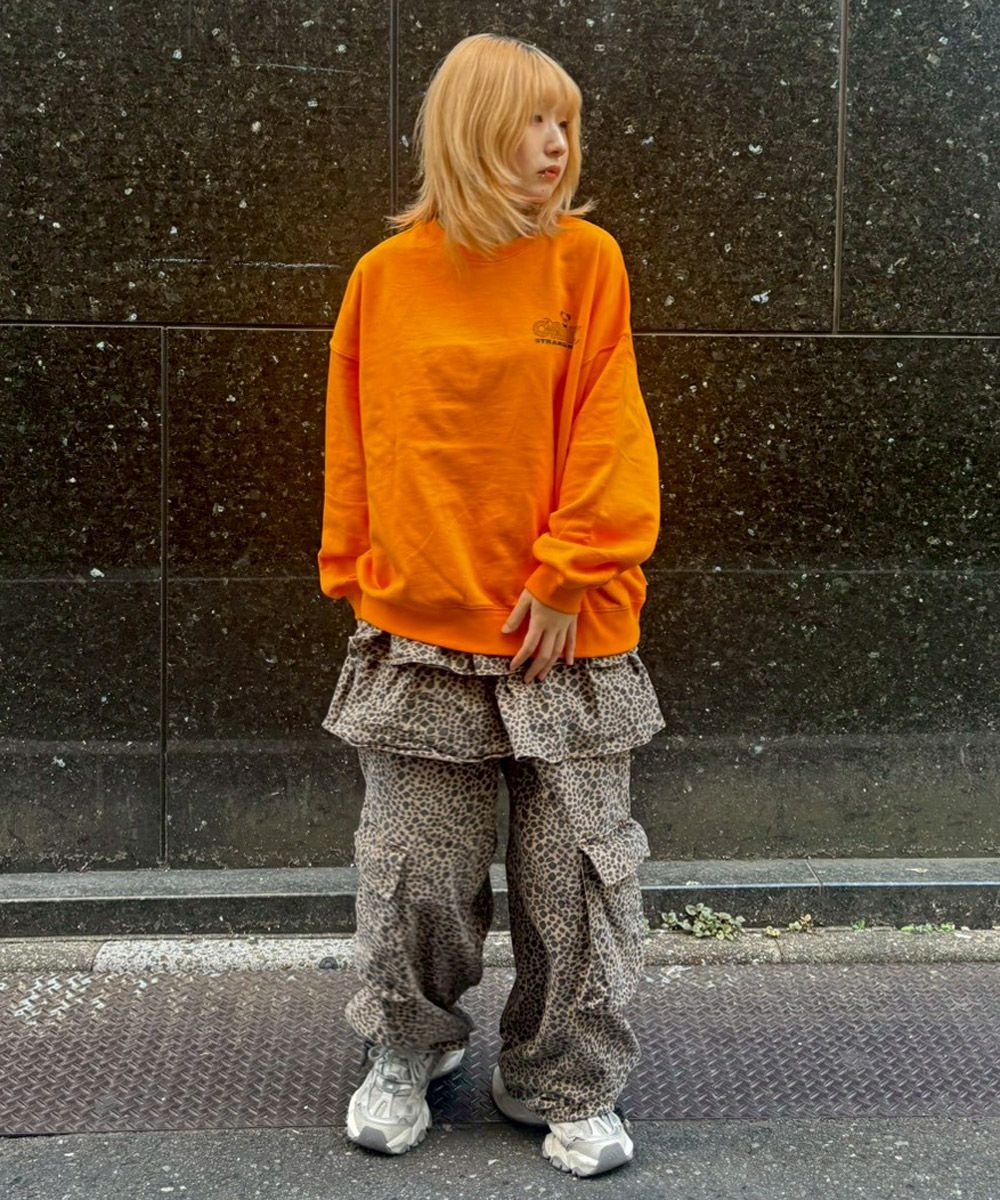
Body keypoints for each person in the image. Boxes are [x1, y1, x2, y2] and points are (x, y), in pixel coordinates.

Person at [316, 31, 665, 1179]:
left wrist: (568, 572)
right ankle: (406, 1050)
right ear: (469, 131)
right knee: (414, 871)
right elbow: (358, 437)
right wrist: (356, 573)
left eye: (566, 121)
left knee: (575, 878)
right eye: (531, 121)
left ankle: (563, 1079)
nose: (557, 143)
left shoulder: (586, 263)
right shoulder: (385, 277)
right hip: (421, 633)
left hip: (566, 636)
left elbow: (610, 424)